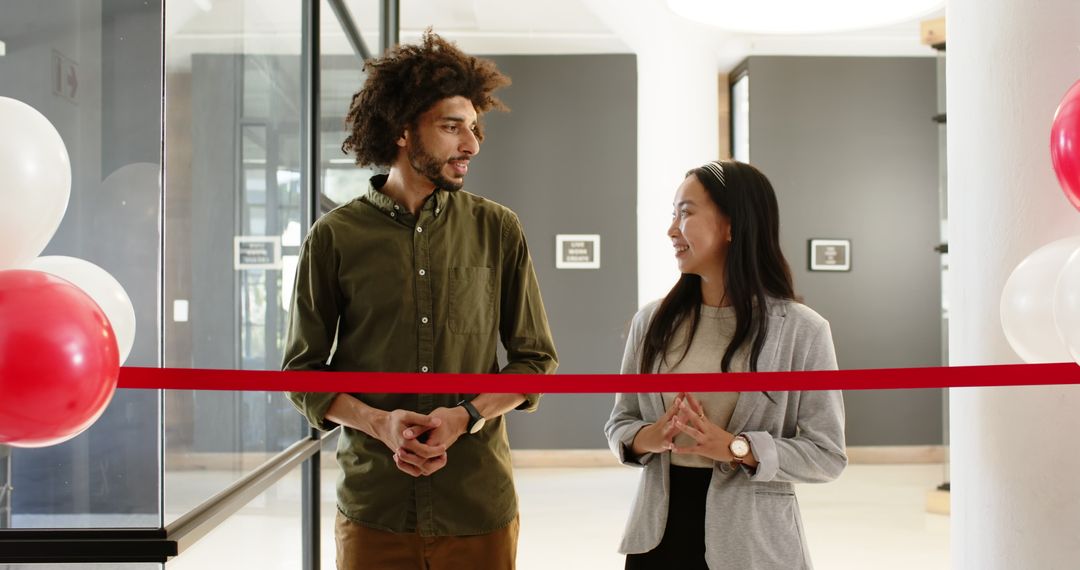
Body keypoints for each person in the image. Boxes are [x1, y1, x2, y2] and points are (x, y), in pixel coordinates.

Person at [283, 30, 557, 570]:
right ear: (405, 131)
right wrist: (378, 423)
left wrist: (465, 417)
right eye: (452, 127)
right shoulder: (334, 237)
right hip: (374, 510)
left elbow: (535, 363)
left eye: (474, 128)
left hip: (477, 505)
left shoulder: (498, 229)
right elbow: (303, 374)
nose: (472, 145)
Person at [604, 160, 846, 570]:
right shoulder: (652, 322)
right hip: (657, 540)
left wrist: (738, 448)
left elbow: (827, 455)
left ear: (733, 225)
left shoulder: (803, 331)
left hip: (753, 545)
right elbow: (620, 423)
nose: (672, 229)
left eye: (686, 212)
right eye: (673, 213)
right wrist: (650, 436)